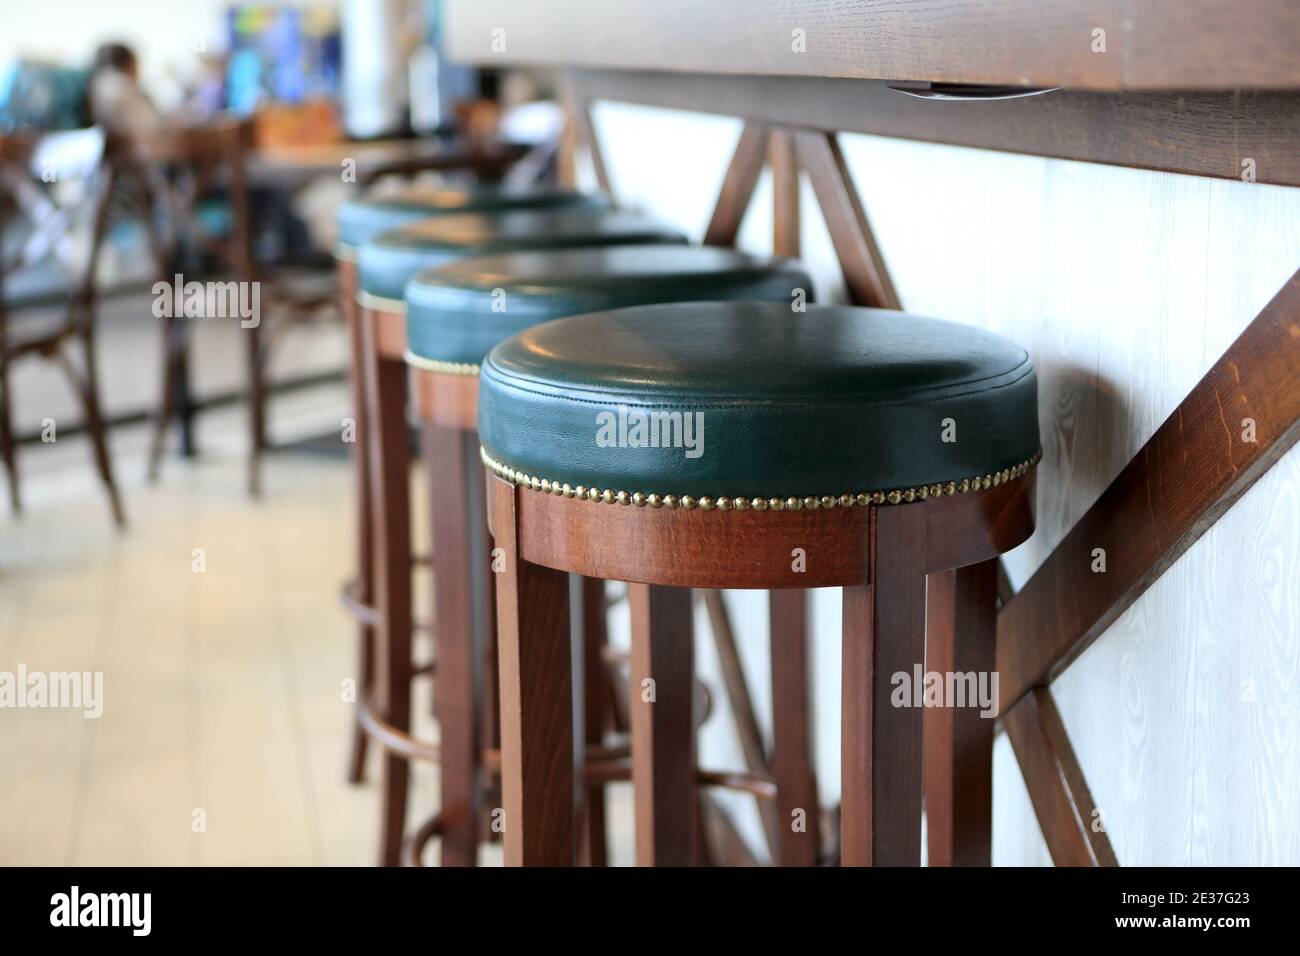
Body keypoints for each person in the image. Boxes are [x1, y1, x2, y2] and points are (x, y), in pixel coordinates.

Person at [87, 43, 163, 138]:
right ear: (128, 63)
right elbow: (151, 125)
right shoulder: (121, 85)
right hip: (138, 143)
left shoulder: (99, 83)